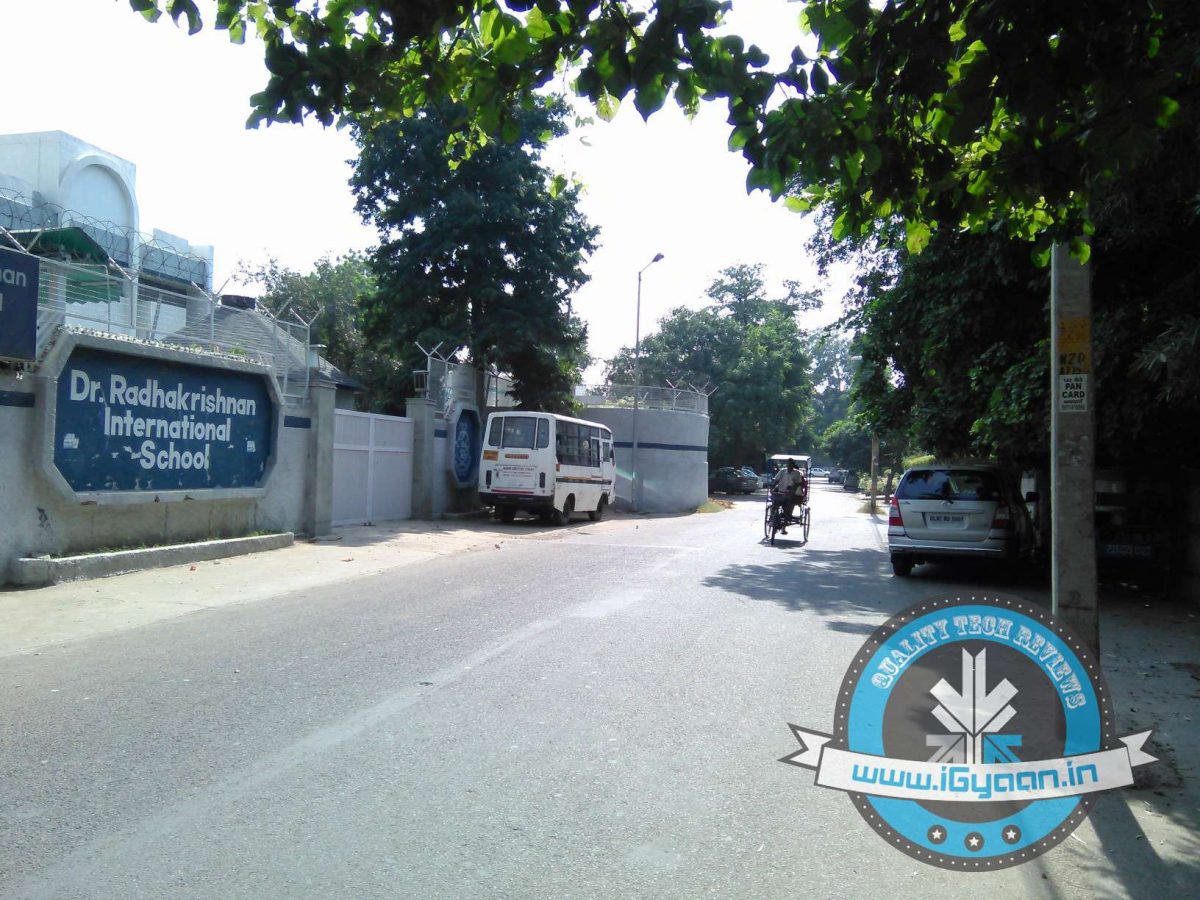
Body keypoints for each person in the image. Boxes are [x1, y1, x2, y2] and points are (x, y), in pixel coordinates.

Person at [772, 459, 805, 534]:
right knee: (774, 505)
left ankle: (784, 526)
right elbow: (776, 480)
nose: (789, 466)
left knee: (787, 509)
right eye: (788, 464)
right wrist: (773, 485)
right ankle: (773, 519)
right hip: (780, 492)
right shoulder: (782, 471)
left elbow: (800, 483)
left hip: (790, 494)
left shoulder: (797, 473)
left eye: (791, 464)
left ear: (793, 465)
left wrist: (793, 486)